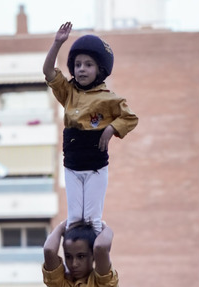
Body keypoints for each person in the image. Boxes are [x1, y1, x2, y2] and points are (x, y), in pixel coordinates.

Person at [43, 22, 138, 231]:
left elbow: (130, 118)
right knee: (75, 218)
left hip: (95, 167)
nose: (82, 69)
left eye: (88, 64)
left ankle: (98, 260)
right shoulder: (68, 92)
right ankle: (74, 262)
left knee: (93, 219)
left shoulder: (109, 99)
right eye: (78, 65)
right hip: (72, 166)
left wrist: (111, 129)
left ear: (100, 70)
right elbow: (48, 71)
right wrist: (57, 43)